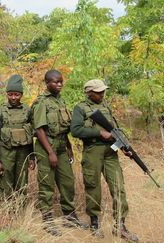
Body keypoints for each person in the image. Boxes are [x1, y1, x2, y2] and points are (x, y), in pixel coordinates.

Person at [70, 79, 138, 241]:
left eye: (103, 91)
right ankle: (94, 223)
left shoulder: (106, 106)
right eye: (98, 92)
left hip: (111, 153)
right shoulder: (80, 108)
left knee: (119, 187)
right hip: (92, 151)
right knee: (93, 187)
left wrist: (124, 147)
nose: (102, 94)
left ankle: (120, 226)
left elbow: (114, 130)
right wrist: (99, 133)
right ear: (89, 92)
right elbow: (75, 130)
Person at [31, 70, 88, 236]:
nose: (60, 84)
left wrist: (69, 147)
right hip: (46, 146)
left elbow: (64, 129)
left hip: (62, 145)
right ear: (47, 83)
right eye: (56, 82)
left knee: (67, 182)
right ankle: (48, 220)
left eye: (61, 81)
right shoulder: (41, 102)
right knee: (47, 184)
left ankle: (69, 217)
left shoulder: (61, 101)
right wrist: (50, 152)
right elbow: (39, 129)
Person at [0, 74, 35, 200]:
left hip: (23, 153)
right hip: (6, 154)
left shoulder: (27, 110)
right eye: (10, 94)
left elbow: (30, 135)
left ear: (21, 95)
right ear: (7, 94)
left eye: (17, 94)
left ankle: (20, 213)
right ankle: (6, 213)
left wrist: (32, 157)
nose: (14, 97)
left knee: (22, 182)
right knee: (5, 182)